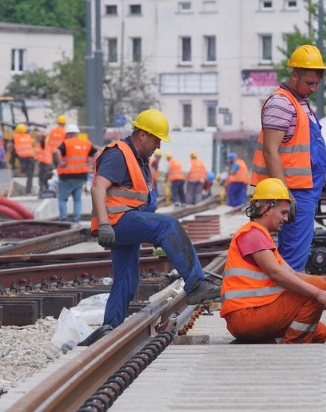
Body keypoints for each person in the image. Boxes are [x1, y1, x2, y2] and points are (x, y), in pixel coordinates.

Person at [84, 109, 221, 345]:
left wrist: (161, 241)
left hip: (127, 223)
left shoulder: (139, 159)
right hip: (118, 223)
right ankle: (197, 284)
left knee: (127, 279)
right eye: (157, 139)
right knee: (168, 225)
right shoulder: (119, 154)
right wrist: (105, 224)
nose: (158, 146)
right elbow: (98, 187)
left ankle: (110, 326)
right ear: (143, 135)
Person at [221, 178, 326, 344]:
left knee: (319, 333)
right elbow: (276, 273)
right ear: (267, 208)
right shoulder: (252, 233)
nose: (286, 219)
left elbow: (290, 274)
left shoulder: (261, 235)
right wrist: (319, 292)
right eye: (283, 212)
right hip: (245, 315)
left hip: (255, 311)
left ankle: (267, 342)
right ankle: (290, 349)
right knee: (317, 287)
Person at [250, 44, 326, 272]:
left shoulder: (300, 103)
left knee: (295, 255)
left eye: (317, 83)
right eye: (309, 83)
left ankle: (286, 299)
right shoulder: (281, 103)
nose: (313, 88)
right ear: (295, 75)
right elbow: (270, 151)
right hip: (293, 192)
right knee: (292, 259)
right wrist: (284, 198)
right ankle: (286, 303)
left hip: (303, 191)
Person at [55, 124, 98, 223]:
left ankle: (64, 220)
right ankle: (76, 220)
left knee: (62, 199)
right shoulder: (86, 143)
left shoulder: (66, 143)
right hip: (81, 175)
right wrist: (90, 163)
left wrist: (61, 163)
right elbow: (96, 153)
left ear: (68, 134)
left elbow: (57, 151)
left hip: (66, 176)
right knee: (77, 199)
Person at [10, 123, 36, 195]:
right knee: (30, 176)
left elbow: (12, 147)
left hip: (22, 158)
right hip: (31, 157)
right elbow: (32, 144)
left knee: (23, 170)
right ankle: (28, 191)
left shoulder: (15, 137)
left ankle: (21, 170)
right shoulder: (28, 136)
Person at [34, 128, 54, 196]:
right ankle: (45, 188)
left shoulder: (43, 142)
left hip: (44, 162)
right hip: (45, 162)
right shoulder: (45, 142)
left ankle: (43, 189)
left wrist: (41, 134)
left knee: (43, 177)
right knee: (44, 176)